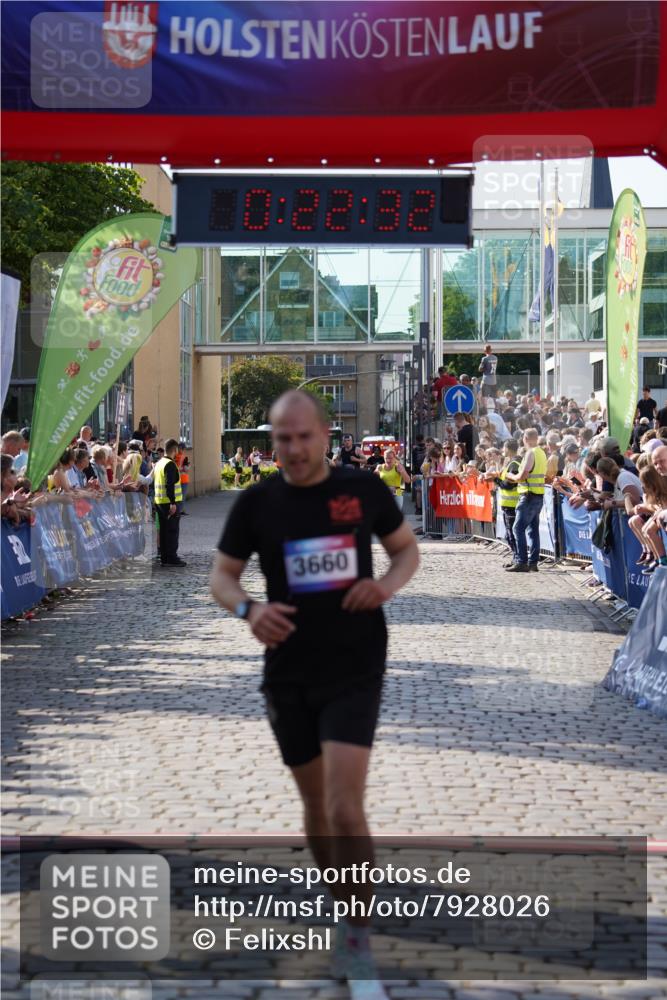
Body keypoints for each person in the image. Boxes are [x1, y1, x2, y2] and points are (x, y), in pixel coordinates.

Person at [210, 390, 419, 998]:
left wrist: (384, 587)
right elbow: (221, 576)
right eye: (282, 439)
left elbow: (405, 551)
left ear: (326, 435)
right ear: (272, 441)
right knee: (316, 811)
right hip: (289, 669)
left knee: (344, 808)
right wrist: (249, 609)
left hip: (355, 662)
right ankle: (341, 903)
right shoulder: (258, 502)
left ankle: (357, 938)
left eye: (304, 437)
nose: (294, 449)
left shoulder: (362, 491)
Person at [504, 427, 547, 572]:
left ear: (525, 438)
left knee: (518, 528)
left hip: (528, 496)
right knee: (533, 530)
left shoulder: (531, 453)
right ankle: (533, 562)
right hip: (538, 495)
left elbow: (522, 476)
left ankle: (522, 561)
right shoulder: (541, 453)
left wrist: (510, 476)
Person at [486, 438, 520, 563]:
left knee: (512, 535)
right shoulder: (511, 463)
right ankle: (516, 558)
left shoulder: (514, 464)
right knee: (509, 535)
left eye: (504, 448)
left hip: (512, 505)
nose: (502, 450)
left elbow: (509, 485)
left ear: (508, 449)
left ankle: (518, 559)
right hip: (508, 504)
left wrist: (496, 479)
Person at [153, 438, 186, 567]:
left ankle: (165, 557)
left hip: (159, 501)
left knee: (164, 531)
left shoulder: (160, 462)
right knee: (172, 531)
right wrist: (173, 503)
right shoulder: (170, 464)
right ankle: (171, 557)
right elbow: (169, 484)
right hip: (169, 503)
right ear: (174, 450)